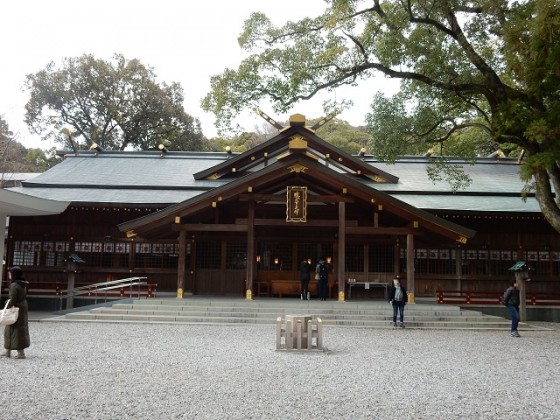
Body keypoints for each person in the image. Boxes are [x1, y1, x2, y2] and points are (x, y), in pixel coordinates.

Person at [1, 266, 30, 359]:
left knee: (11, 328)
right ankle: (13, 351)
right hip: (22, 307)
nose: (9, 274)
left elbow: (13, 298)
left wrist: (7, 304)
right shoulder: (22, 284)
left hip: (15, 307)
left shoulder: (14, 285)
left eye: (10, 273)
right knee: (20, 328)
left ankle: (16, 352)